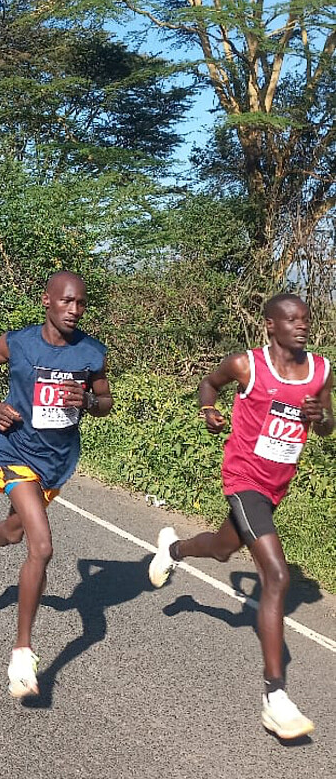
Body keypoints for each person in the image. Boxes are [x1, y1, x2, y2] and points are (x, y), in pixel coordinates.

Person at [149, 294, 333, 740]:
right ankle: (275, 697)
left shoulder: (320, 370)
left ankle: (173, 550)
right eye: (291, 319)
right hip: (244, 478)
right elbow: (208, 384)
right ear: (270, 325)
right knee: (277, 576)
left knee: (222, 549)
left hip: (276, 486)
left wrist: (321, 416)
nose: (301, 325)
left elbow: (328, 426)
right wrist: (208, 409)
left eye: (305, 319)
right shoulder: (246, 365)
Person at [0, 271, 112, 698]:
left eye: (81, 303)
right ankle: (22, 653)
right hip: (15, 451)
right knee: (41, 546)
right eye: (66, 301)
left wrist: (89, 400)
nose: (74, 310)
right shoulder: (19, 343)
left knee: (14, 532)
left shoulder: (91, 353)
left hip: (56, 461)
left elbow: (105, 402)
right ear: (47, 300)